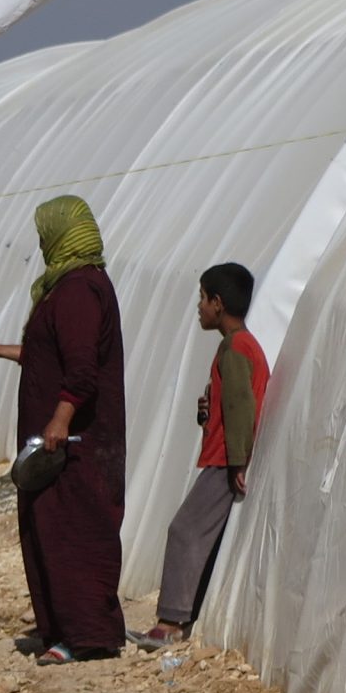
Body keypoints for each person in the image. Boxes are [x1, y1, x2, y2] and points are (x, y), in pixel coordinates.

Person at [0, 194, 128, 662]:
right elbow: (51, 353)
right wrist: (1, 351)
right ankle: (65, 628)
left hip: (74, 443)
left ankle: (86, 636)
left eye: (43, 235)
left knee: (74, 529)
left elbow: (81, 369)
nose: (39, 244)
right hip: (63, 439)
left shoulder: (78, 290)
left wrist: (60, 418)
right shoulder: (70, 286)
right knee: (49, 527)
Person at [135, 263, 270, 647]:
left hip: (224, 459)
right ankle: (182, 617)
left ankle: (172, 623)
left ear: (218, 302)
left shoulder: (235, 348)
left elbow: (243, 405)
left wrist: (238, 460)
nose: (198, 306)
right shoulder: (242, 347)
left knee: (185, 530)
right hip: (225, 455)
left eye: (202, 298)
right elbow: (232, 400)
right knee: (200, 533)